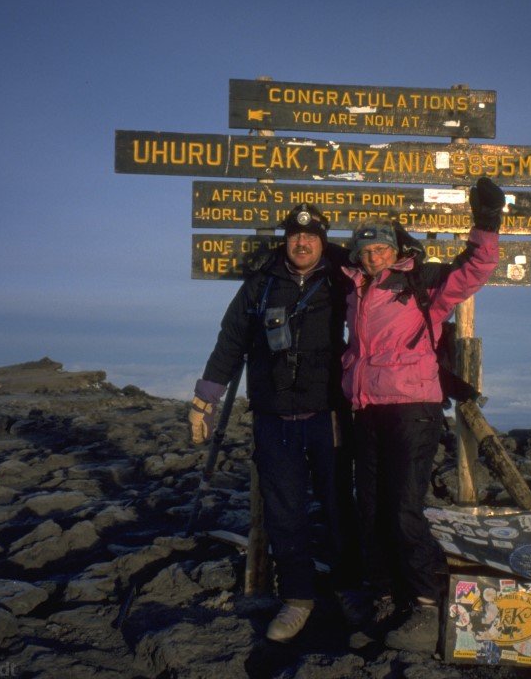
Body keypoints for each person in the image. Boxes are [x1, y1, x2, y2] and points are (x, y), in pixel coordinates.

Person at [340, 177, 505, 653]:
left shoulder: (422, 282)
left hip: (413, 409)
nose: (372, 256)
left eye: (379, 248)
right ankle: (387, 596)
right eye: (365, 249)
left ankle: (426, 604)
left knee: (403, 507)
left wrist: (487, 223)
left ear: (394, 249)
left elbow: (476, 269)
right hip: (366, 410)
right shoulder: (354, 289)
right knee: (369, 508)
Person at [188, 204, 363, 642]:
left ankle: (348, 588)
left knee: (338, 505)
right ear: (286, 240)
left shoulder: (345, 281)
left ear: (323, 242)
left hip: (329, 415)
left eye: (310, 237)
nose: (301, 243)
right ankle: (298, 598)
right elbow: (230, 341)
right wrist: (204, 399)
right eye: (293, 236)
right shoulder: (260, 285)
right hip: (272, 415)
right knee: (284, 512)